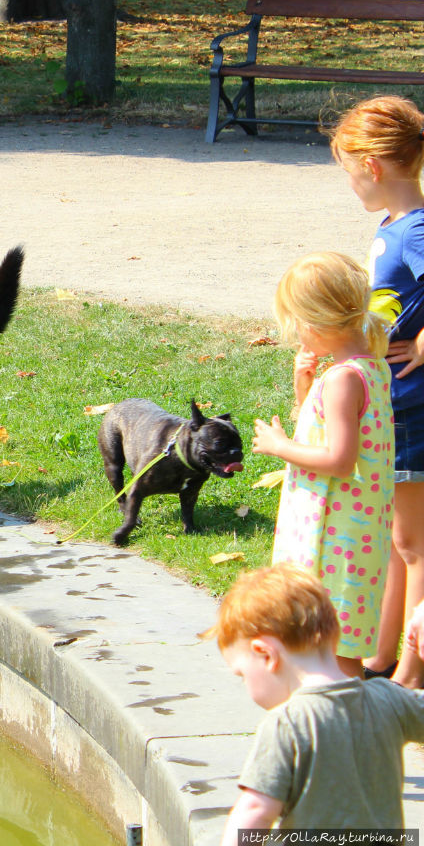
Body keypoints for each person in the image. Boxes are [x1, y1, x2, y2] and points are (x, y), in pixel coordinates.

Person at [251, 251, 394, 679]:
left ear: (313, 323)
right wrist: (303, 389)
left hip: (336, 536)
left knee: (336, 648)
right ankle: (330, 725)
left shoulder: (344, 379)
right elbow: (324, 436)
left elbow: (338, 458)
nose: (294, 332)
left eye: (294, 322)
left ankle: (348, 730)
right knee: (325, 644)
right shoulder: (368, 368)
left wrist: (278, 446)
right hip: (347, 529)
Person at [210, 563, 424, 837]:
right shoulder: (391, 700)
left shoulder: (286, 723)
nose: (245, 685)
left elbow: (255, 811)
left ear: (266, 654)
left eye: (242, 674)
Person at [328, 95, 424, 687]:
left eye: (347, 171)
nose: (350, 185)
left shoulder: (416, 229)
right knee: (396, 540)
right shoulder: (391, 225)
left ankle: (412, 677)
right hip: (394, 404)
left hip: (414, 408)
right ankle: (378, 659)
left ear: (372, 165)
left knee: (414, 546)